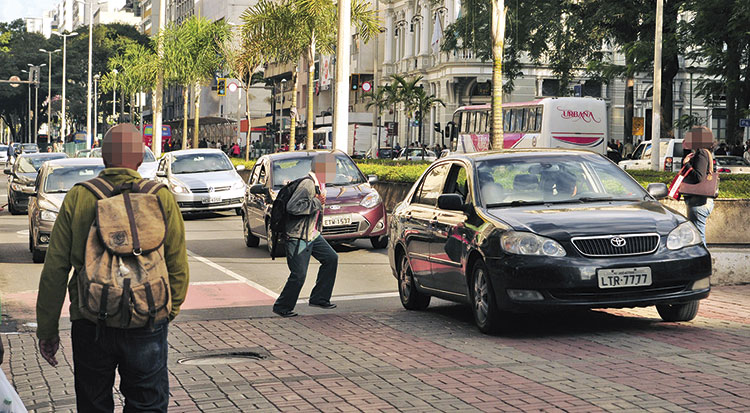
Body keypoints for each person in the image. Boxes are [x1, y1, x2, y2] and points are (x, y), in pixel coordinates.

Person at [36, 123, 189, 412]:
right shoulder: (161, 197)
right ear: (140, 159)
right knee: (148, 403)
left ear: (104, 158)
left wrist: (47, 329)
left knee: (93, 403)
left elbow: (55, 269)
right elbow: (177, 265)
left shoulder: (79, 197)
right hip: (146, 319)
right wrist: (165, 313)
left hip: (91, 320)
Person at [272, 153, 339, 317]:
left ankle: (319, 298)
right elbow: (292, 207)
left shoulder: (319, 184)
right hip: (298, 235)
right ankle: (282, 306)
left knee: (331, 258)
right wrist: (317, 202)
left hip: (312, 234)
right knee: (299, 274)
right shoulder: (308, 184)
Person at [681, 126, 716, 246]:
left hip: (699, 202)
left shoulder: (701, 152)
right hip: (701, 201)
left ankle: (704, 263)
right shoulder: (705, 152)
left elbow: (698, 177)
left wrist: (686, 165)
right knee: (697, 236)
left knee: (699, 238)